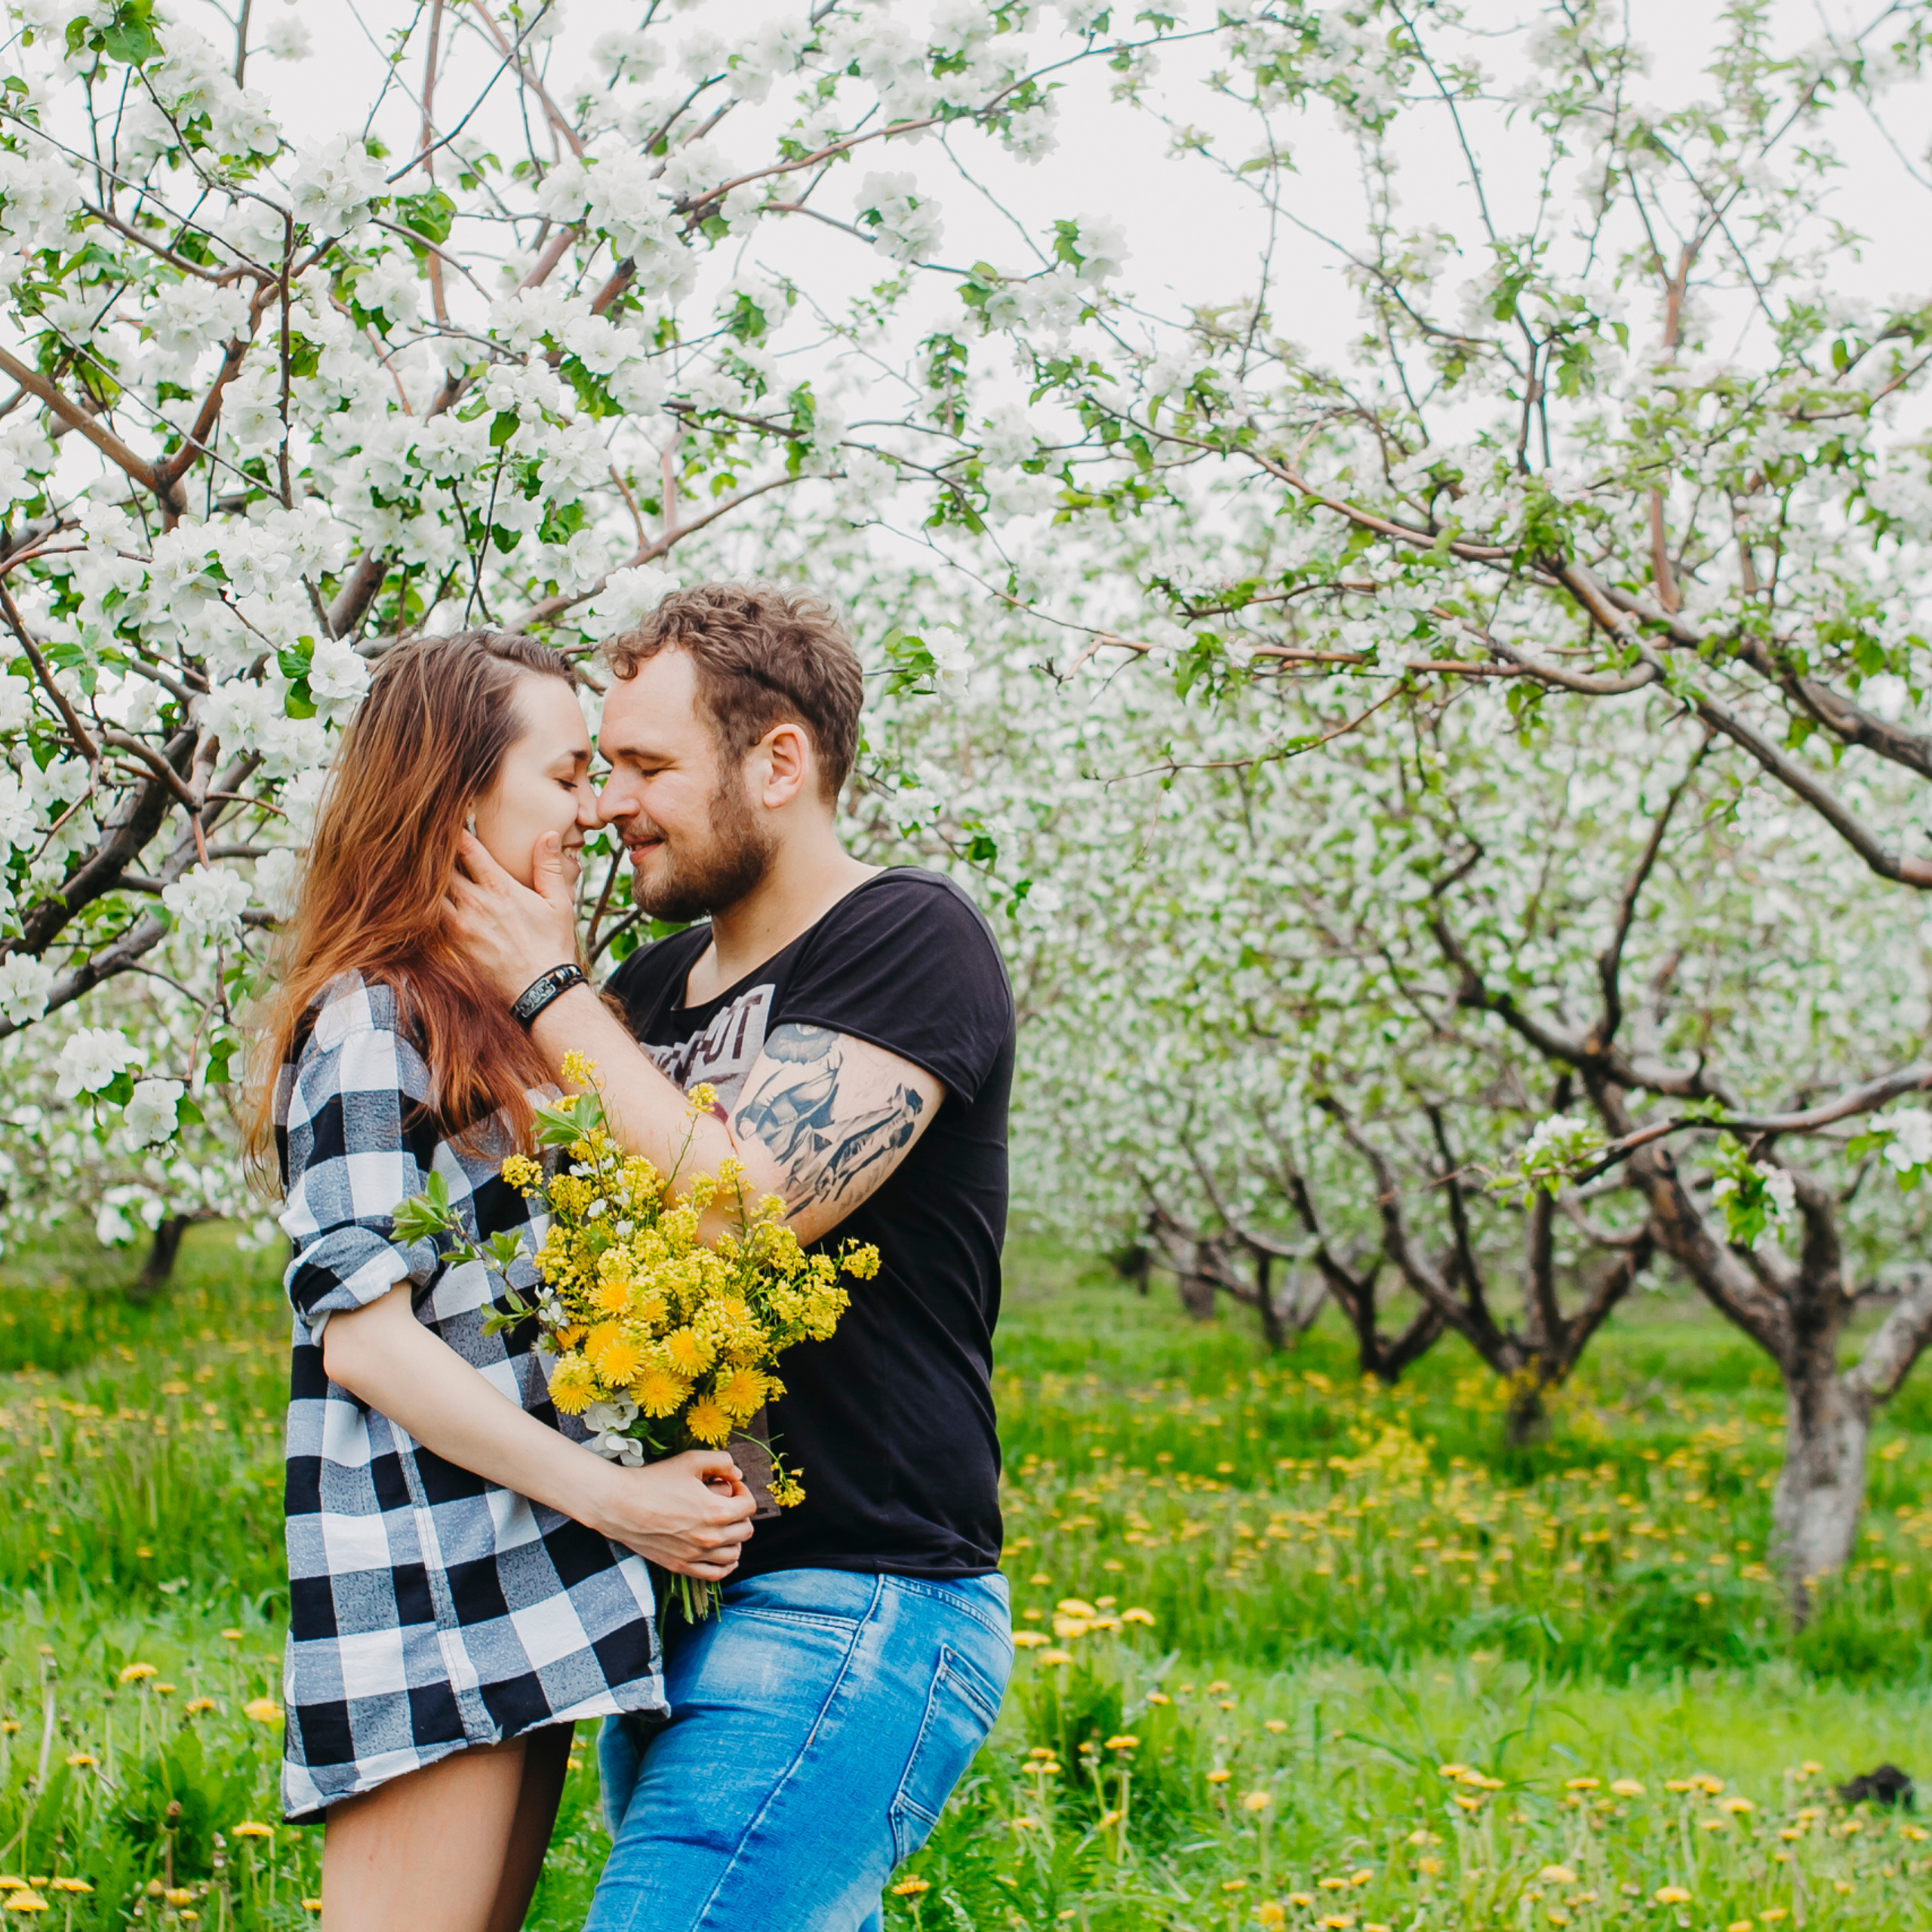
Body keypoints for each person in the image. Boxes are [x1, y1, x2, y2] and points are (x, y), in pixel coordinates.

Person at [448, 583, 1017, 1931]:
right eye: (603, 768)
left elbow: (741, 1218)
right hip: (681, 1598)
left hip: (859, 1600)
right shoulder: (638, 1001)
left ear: (779, 762)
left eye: (647, 766)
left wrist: (547, 992)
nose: (609, 805)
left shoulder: (908, 937)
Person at [244, 631, 758, 1932]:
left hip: (526, 1574)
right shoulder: (375, 1017)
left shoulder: (500, 1025)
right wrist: (617, 1499)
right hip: (428, 1583)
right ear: (457, 795)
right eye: (568, 773)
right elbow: (364, 1343)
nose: (594, 808)